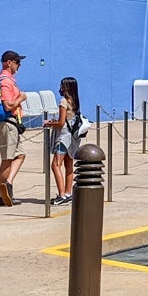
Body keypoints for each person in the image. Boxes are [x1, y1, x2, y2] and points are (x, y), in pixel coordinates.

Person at [0, 50, 28, 206]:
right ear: (9, 62)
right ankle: (2, 195)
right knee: (7, 159)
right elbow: (8, 105)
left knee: (19, 155)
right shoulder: (5, 81)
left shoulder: (8, 80)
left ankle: (7, 184)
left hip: (13, 123)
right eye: (17, 62)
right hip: (8, 123)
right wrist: (21, 96)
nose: (19, 65)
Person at [50, 76, 83, 205]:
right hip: (73, 137)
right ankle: (69, 193)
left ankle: (62, 194)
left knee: (55, 165)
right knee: (68, 165)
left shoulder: (63, 102)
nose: (61, 87)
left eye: (62, 85)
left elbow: (61, 122)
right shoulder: (75, 101)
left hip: (63, 136)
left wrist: (50, 123)